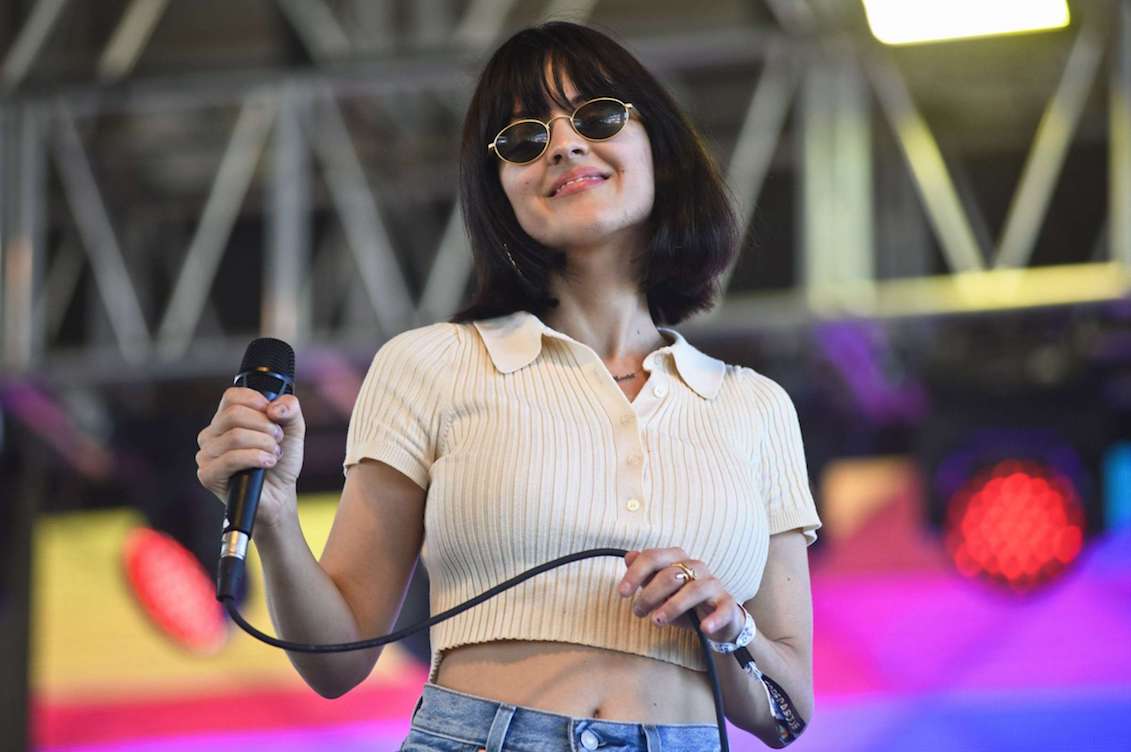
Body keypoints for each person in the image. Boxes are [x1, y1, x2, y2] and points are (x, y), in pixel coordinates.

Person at [195, 21, 822, 752]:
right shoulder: (431, 364)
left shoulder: (753, 406)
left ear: (659, 147)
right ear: (499, 190)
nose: (562, 144)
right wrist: (271, 514)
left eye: (597, 116)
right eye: (524, 138)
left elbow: (788, 710)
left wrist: (729, 625)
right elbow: (336, 660)